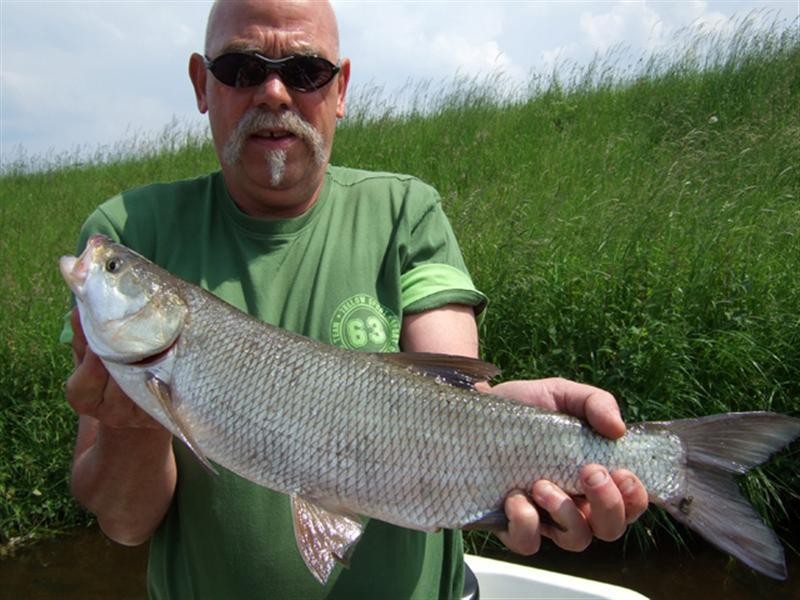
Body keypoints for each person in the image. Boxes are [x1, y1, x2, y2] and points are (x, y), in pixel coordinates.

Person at [63, 1, 648, 598]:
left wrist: (512, 430)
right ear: (201, 84)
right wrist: (135, 419)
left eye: (305, 71)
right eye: (241, 67)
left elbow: (457, 399)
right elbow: (125, 524)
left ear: (340, 88)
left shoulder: (406, 212)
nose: (274, 91)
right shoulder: (130, 228)